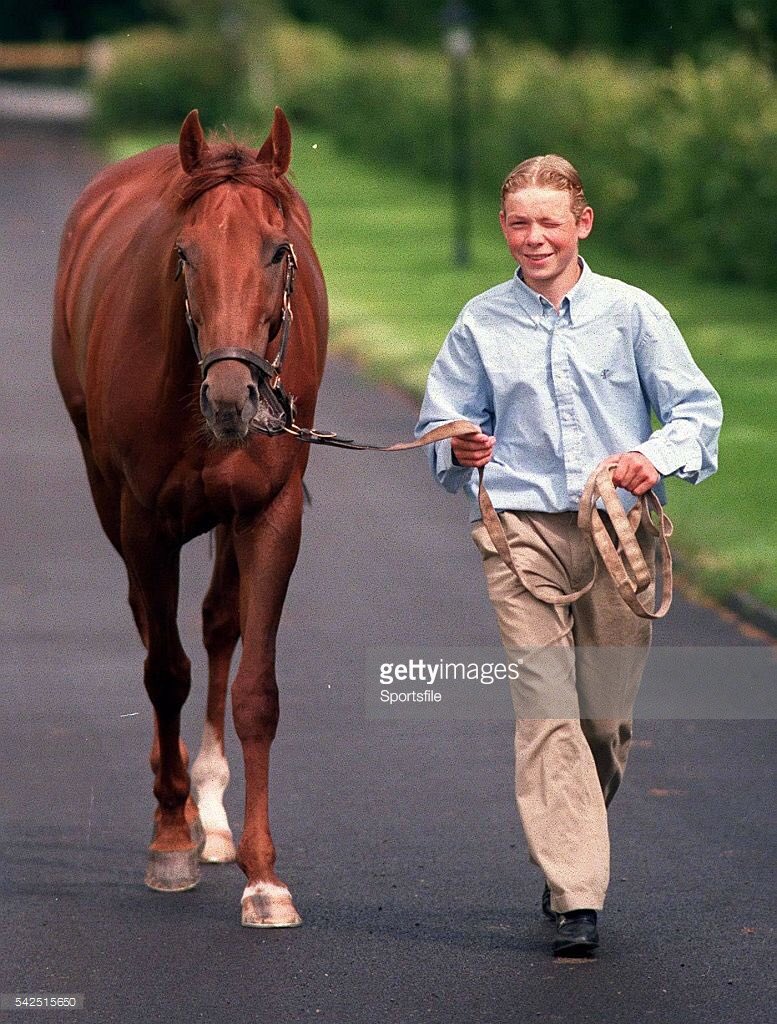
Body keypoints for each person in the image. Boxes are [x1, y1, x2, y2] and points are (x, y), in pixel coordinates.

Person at [415, 155, 723, 957]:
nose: (534, 237)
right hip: (519, 531)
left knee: (603, 722)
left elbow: (695, 411)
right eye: (519, 223)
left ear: (581, 223)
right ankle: (575, 891)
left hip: (616, 531)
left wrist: (653, 456)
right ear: (502, 228)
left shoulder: (632, 313)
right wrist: (460, 444)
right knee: (545, 707)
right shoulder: (480, 321)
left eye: (549, 222)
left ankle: (567, 842)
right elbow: (441, 426)